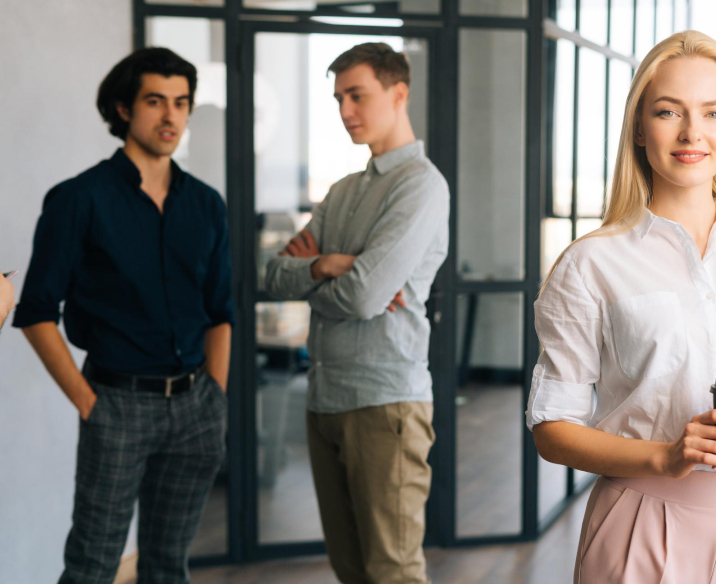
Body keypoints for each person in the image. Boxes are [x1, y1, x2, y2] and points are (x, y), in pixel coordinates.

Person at [528, 31, 716, 584]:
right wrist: (664, 457)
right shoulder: (590, 263)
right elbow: (552, 428)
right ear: (640, 128)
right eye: (669, 111)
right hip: (640, 519)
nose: (693, 133)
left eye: (714, 113)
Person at [13, 47, 234, 584]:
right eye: (155, 101)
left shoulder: (206, 204)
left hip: (196, 407)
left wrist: (215, 395)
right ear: (122, 110)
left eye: (181, 103)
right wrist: (90, 404)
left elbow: (220, 310)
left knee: (167, 565)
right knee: (92, 565)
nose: (171, 116)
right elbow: (37, 311)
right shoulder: (77, 200)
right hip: (117, 405)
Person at [266, 42, 448, 584]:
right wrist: (329, 266)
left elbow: (365, 296)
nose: (345, 110)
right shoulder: (343, 191)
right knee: (349, 570)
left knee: (392, 571)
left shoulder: (421, 186)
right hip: (325, 399)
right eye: (339, 98)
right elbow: (272, 274)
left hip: (385, 402)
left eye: (357, 95)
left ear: (398, 93)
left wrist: (327, 278)